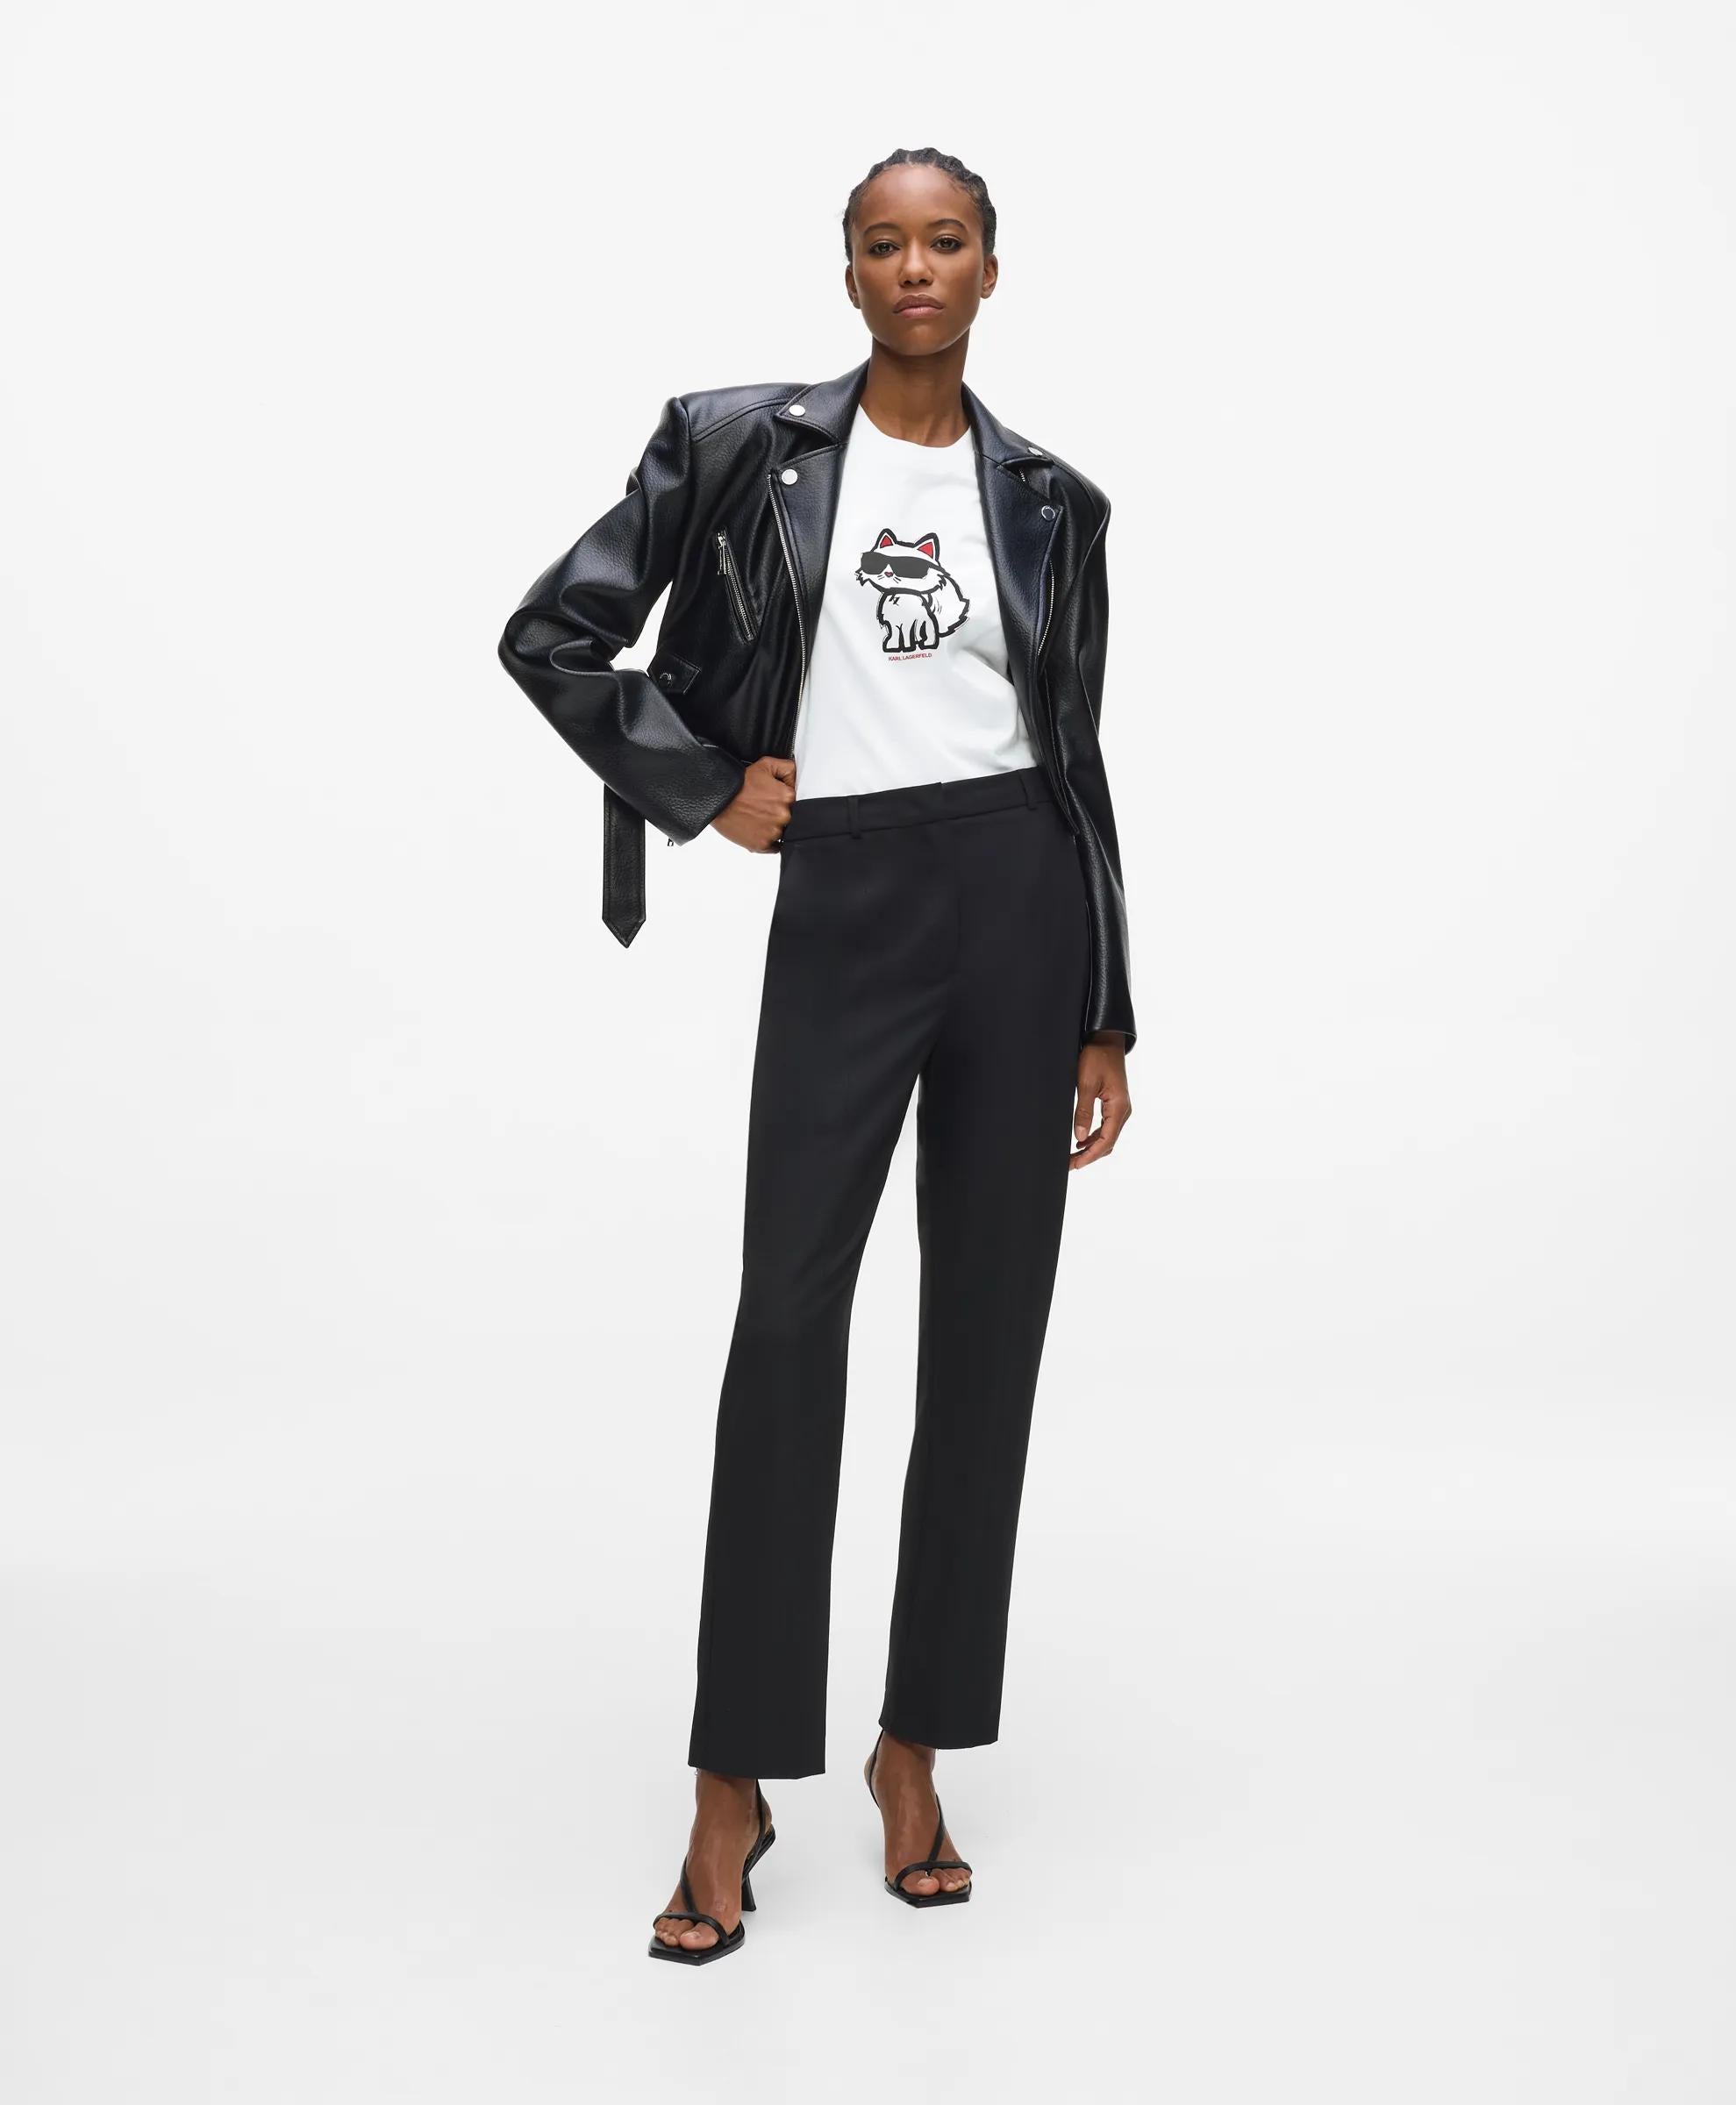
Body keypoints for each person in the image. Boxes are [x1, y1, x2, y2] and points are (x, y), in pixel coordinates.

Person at [496, 146, 1137, 1966]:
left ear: (992, 270)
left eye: (947, 241)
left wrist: (1106, 1003)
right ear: (847, 273)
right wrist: (704, 786)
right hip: (847, 898)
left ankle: (913, 1751)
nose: (915, 267)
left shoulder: (1054, 501)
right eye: (883, 243)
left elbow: (1077, 756)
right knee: (788, 1326)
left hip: (1020, 899)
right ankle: (733, 1780)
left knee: (987, 1340)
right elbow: (554, 632)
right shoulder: (736, 445)